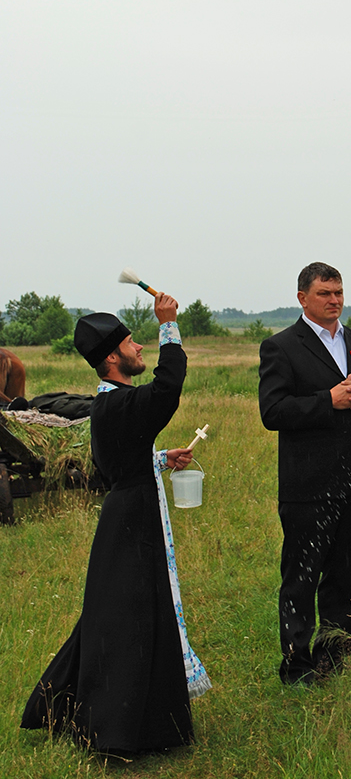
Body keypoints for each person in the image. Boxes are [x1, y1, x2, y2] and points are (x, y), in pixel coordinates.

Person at [21, 294, 210, 754]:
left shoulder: (109, 405)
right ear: (112, 357)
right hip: (132, 526)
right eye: (132, 342)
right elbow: (167, 389)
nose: (140, 348)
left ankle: (61, 707)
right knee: (129, 622)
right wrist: (169, 325)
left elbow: (116, 462)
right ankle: (114, 731)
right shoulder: (117, 404)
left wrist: (160, 459)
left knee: (113, 616)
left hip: (126, 519)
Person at [258, 262, 351, 685]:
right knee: (301, 578)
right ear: (302, 298)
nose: (334, 301)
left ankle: (332, 662)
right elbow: (272, 411)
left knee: (346, 577)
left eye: (338, 293)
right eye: (324, 294)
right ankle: (296, 668)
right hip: (308, 485)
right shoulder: (281, 347)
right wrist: (327, 400)